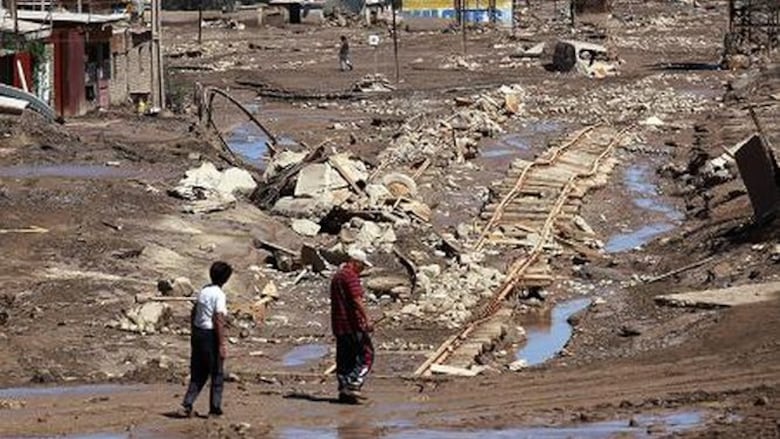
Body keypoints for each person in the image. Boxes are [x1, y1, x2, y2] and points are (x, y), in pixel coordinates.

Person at [180, 261, 232, 417]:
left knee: (198, 372)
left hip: (198, 333)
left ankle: (187, 403)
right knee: (216, 373)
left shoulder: (204, 290)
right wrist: (222, 343)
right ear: (226, 279)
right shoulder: (219, 295)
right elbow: (218, 319)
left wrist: (194, 330)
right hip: (210, 335)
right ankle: (215, 409)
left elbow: (194, 311)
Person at [330, 248, 374, 403]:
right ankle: (354, 383)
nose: (362, 270)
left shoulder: (337, 276)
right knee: (366, 355)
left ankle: (344, 391)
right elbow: (356, 300)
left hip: (339, 325)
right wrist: (366, 319)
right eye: (362, 266)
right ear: (355, 263)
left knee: (345, 358)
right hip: (352, 324)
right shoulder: (350, 277)